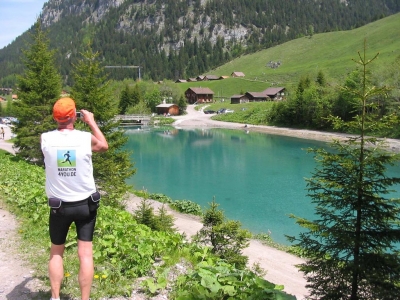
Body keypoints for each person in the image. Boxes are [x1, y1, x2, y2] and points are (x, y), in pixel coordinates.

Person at [41, 97, 108, 300]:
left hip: (59, 206)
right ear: (74, 116)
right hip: (85, 206)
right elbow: (103, 146)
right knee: (85, 253)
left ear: (55, 118)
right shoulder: (85, 138)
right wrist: (91, 121)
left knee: (56, 252)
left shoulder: (45, 139)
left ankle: (55, 297)